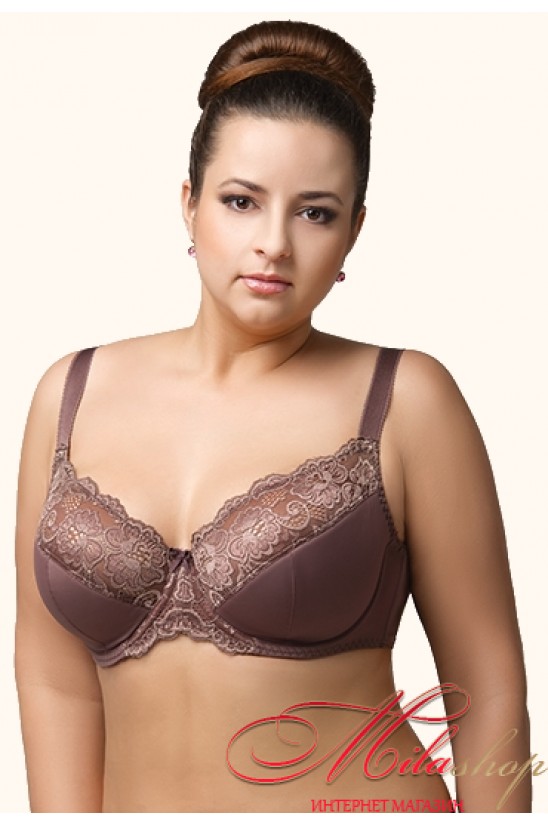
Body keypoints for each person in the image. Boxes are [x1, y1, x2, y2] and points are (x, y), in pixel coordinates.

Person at [14, 19, 531, 813]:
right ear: (189, 205)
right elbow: (54, 679)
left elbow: (488, 684)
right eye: (241, 201)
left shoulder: (406, 400)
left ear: (354, 230)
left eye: (314, 213)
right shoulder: (69, 394)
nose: (273, 244)